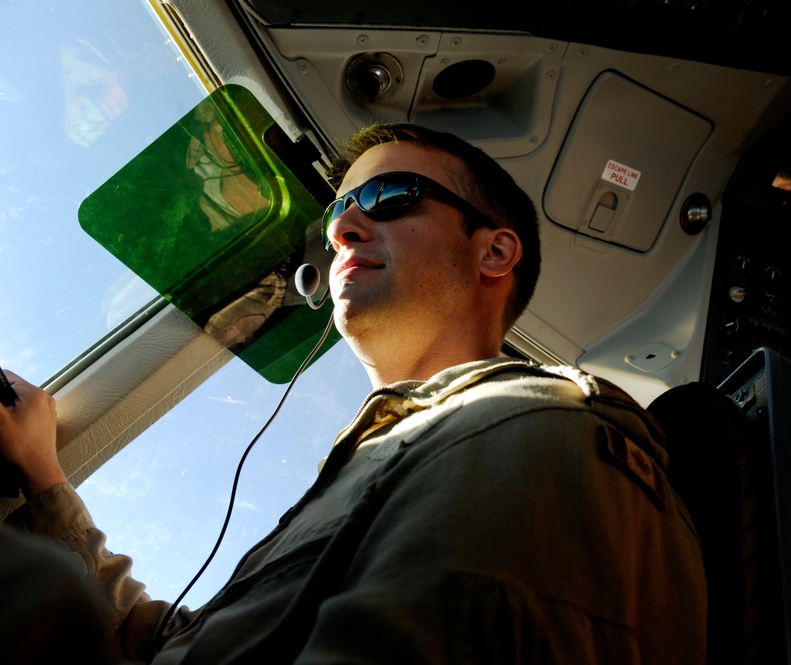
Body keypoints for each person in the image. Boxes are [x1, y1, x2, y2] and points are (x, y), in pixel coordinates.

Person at [0, 123, 707, 663]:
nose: (340, 228)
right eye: (340, 211)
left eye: (387, 196)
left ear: (494, 252)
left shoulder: (537, 429)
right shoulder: (388, 458)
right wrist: (44, 471)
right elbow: (166, 646)